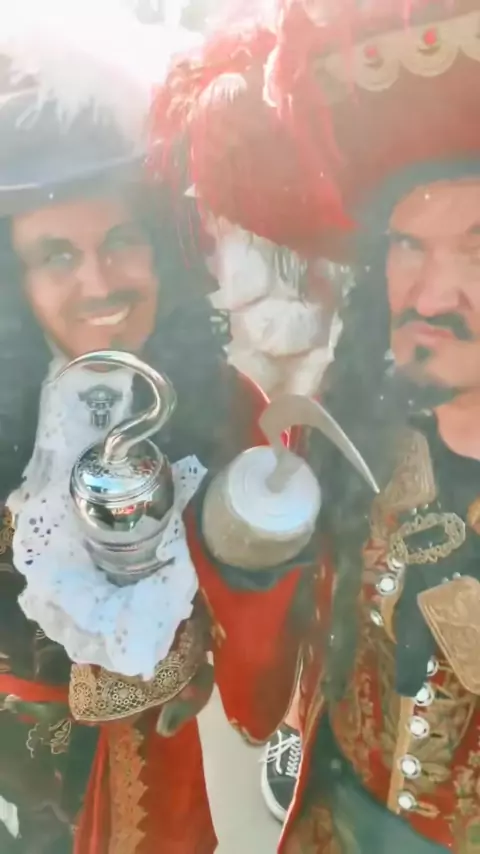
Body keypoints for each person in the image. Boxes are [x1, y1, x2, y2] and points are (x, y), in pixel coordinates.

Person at [152, 0, 480, 851]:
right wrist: (247, 559)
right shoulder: (358, 434)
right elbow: (268, 680)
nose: (432, 294)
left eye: (478, 248)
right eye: (407, 245)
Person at [0, 3, 307, 852]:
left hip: (154, 776)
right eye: (56, 255)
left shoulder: (227, 402)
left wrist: (228, 615)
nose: (99, 282)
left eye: (121, 241)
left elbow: (264, 652)